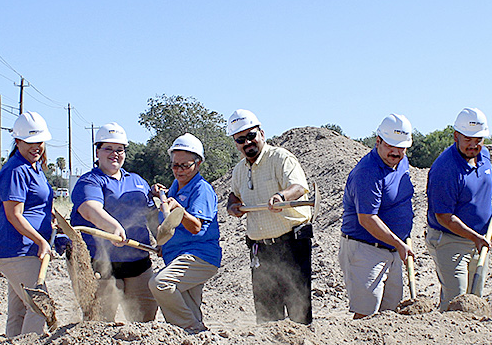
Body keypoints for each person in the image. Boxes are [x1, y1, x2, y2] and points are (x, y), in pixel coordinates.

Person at [225, 109, 313, 324]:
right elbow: (234, 195)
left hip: (291, 245)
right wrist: (232, 205)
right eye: (240, 139)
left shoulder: (280, 158)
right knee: (267, 314)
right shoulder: (239, 170)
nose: (247, 142)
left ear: (261, 133)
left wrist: (281, 196)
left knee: (298, 309)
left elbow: (299, 187)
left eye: (251, 136)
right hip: (261, 250)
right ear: (236, 143)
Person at [71, 122, 158, 322]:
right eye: (108, 149)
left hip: (139, 265)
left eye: (119, 149)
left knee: (145, 324)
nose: (114, 154)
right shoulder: (90, 181)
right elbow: (90, 210)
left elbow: (151, 217)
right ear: (97, 151)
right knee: (98, 324)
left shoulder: (137, 181)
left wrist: (162, 237)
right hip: (101, 267)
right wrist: (114, 228)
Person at [425, 108, 492, 309]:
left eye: (478, 139)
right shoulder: (445, 169)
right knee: (456, 299)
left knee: (475, 298)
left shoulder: (483, 154)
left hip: (478, 239)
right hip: (450, 240)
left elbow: (488, 170)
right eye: (468, 139)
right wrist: (475, 238)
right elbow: (444, 216)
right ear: (456, 136)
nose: (473, 144)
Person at [338, 114, 415, 318]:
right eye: (391, 145)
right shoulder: (367, 172)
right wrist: (399, 244)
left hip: (392, 249)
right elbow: (367, 219)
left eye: (402, 147)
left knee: (388, 316)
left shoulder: (401, 161)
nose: (396, 152)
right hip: (365, 250)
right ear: (378, 141)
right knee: (367, 315)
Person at [148, 134, 221, 332]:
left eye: (184, 166)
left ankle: (190, 329)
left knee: (159, 284)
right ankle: (196, 344)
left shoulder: (201, 189)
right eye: (175, 165)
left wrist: (179, 210)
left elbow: (196, 227)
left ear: (197, 164)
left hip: (198, 256)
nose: (179, 170)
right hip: (176, 255)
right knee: (189, 306)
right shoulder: (175, 186)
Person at [0, 111, 55, 336]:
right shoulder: (15, 170)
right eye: (30, 142)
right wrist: (40, 241)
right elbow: (14, 215)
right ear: (17, 141)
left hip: (27, 250)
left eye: (39, 142)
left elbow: (37, 204)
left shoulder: (34, 167)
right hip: (17, 251)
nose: (36, 147)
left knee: (18, 310)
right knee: (39, 307)